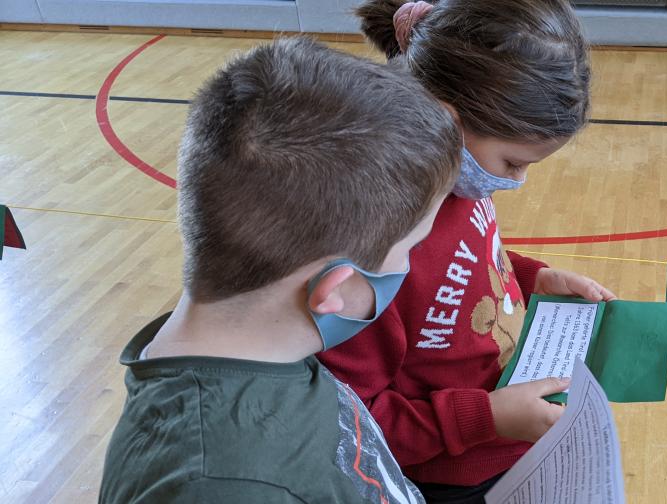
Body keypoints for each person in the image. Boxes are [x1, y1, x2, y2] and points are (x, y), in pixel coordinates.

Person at [98, 36, 461, 503]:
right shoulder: (223, 486)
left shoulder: (269, 346)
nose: (410, 266)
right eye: (410, 248)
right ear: (336, 288)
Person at [318, 1, 615, 501]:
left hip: (511, 438)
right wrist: (487, 417)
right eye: (513, 161)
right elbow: (359, 424)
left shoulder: (456, 188)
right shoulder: (372, 252)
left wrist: (530, 277)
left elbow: (466, 261)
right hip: (452, 476)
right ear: (446, 122)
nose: (516, 182)